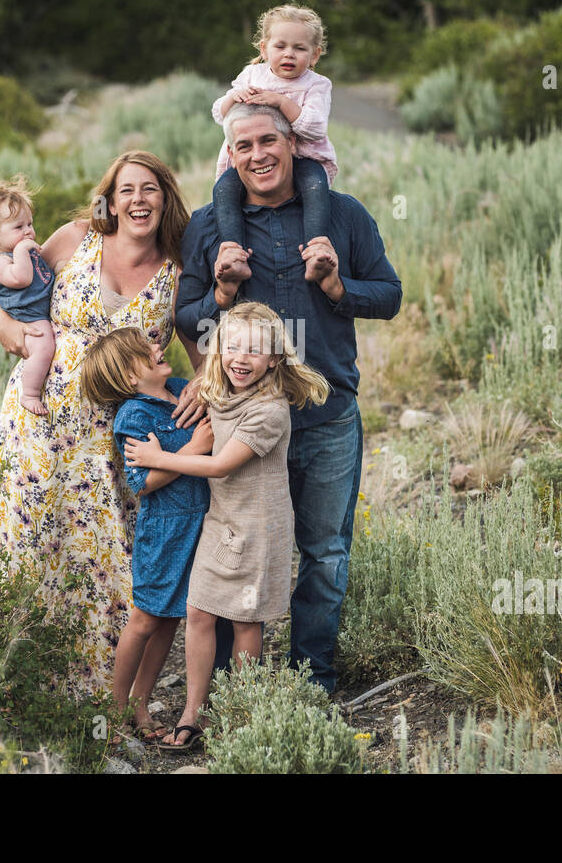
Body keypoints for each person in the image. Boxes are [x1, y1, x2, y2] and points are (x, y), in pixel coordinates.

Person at [176, 102, 402, 695]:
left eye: (268, 141)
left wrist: (335, 285)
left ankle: (311, 685)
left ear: (292, 143)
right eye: (243, 146)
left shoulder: (343, 216)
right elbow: (186, 320)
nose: (258, 155)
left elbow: (389, 294)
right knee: (231, 550)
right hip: (238, 430)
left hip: (326, 419)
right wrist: (222, 293)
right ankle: (228, 694)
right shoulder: (208, 226)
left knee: (324, 554)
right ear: (231, 154)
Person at [0, 151, 206, 697]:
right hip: (39, 425)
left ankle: (94, 694)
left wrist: (203, 383)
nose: (137, 200)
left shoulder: (177, 273)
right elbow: (10, 296)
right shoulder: (75, 237)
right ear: (110, 197)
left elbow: (202, 356)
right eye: (126, 190)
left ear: (165, 198)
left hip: (112, 441)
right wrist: (5, 324)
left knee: (102, 554)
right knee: (29, 542)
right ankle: (9, 684)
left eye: (149, 189)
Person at [124, 302, 330, 749]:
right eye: (232, 346)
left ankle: (242, 714)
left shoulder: (269, 411)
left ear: (275, 358)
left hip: (256, 529)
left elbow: (219, 465)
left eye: (255, 351)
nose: (241, 357)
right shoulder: (221, 389)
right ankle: (192, 715)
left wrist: (160, 459)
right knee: (198, 612)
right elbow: (193, 403)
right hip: (221, 523)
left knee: (243, 621)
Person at [80, 327, 214, 740]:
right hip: (166, 528)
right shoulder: (134, 416)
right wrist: (195, 448)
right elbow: (143, 481)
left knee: (173, 617)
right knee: (145, 617)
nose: (158, 347)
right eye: (145, 350)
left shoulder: (179, 389)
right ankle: (116, 711)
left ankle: (141, 702)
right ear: (128, 378)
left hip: (203, 518)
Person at [210, 3, 337, 284]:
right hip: (255, 162)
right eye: (281, 46)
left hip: (304, 159)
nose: (289, 54)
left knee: (314, 187)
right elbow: (220, 114)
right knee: (224, 189)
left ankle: (316, 250)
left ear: (315, 55)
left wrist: (281, 102)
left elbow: (315, 128)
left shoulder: (316, 84)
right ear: (264, 49)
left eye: (300, 48)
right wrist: (235, 96)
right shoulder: (252, 76)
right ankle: (233, 252)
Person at [0, 176, 57, 415]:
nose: (28, 231)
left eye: (29, 224)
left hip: (38, 309)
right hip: (28, 317)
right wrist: (23, 249)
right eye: (19, 227)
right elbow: (21, 279)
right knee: (44, 346)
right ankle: (30, 393)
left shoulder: (17, 250)